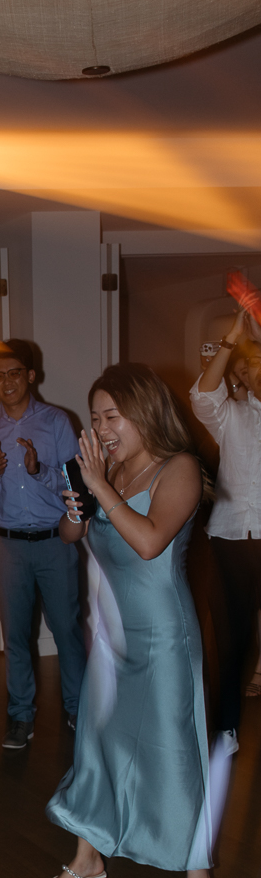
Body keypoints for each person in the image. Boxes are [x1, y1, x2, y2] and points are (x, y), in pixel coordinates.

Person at [34, 364, 222, 878]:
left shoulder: (179, 468)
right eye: (95, 418)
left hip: (164, 636)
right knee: (96, 744)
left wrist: (100, 487)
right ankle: (87, 856)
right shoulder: (109, 470)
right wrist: (77, 504)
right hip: (113, 637)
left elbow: (149, 542)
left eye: (112, 416)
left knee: (174, 755)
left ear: (145, 412)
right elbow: (73, 535)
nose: (101, 428)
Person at [0, 340, 88, 749]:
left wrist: (39, 470)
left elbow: (76, 485)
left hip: (54, 541)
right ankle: (20, 716)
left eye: (14, 373)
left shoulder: (56, 422)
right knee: (15, 636)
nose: (7, 382)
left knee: (67, 630)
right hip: (8, 546)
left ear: (30, 376)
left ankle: (79, 709)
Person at [190, 311, 261, 745]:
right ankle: (227, 726)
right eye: (252, 365)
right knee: (231, 639)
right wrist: (231, 339)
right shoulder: (232, 416)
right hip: (231, 539)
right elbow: (203, 396)